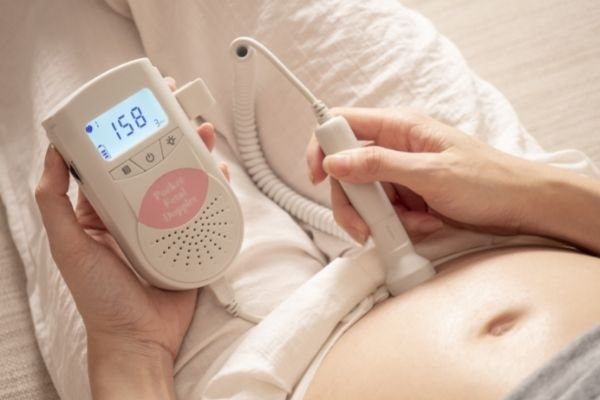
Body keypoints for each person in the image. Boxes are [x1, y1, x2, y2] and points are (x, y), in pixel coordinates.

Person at [35, 102, 600, 399]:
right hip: (533, 223)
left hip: (261, 367)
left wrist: (132, 348)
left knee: (57, 46)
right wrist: (525, 188)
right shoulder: (523, 197)